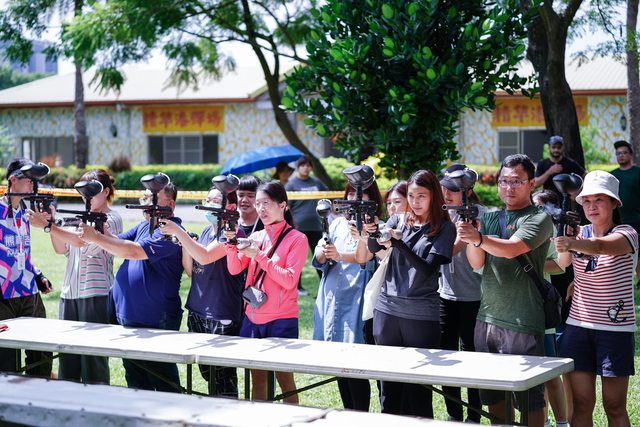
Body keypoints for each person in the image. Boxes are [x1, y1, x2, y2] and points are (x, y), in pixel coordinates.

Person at [457, 154, 553, 427]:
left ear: (532, 183)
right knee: (494, 398)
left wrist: (478, 237)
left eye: (516, 181)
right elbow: (477, 263)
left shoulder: (539, 218)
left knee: (529, 399)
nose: (509, 188)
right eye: (503, 181)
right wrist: (470, 236)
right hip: (486, 319)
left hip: (523, 320)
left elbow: (512, 249)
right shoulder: (490, 218)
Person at [356, 169, 456, 418]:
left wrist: (398, 243)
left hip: (421, 316)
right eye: (411, 195)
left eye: (421, 195)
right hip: (387, 312)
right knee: (389, 390)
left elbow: (426, 269)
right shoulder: (398, 220)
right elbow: (373, 248)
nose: (415, 202)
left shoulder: (444, 228)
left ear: (434, 196)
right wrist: (372, 232)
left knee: (418, 392)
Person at [78, 181, 184, 392]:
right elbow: (118, 242)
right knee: (135, 380)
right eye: (143, 197)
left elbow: (133, 251)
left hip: (155, 318)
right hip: (130, 314)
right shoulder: (146, 225)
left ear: (169, 204)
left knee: (163, 382)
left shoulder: (172, 231)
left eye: (150, 198)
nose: (144, 202)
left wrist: (96, 237)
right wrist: (102, 231)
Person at [554, 170, 637, 427]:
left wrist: (571, 242)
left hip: (616, 330)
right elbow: (562, 263)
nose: (592, 206)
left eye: (599, 200)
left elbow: (601, 246)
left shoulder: (627, 234)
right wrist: (564, 240)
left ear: (614, 203)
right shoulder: (576, 234)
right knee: (580, 404)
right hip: (578, 327)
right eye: (586, 201)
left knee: (614, 406)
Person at [29, 169, 123, 384]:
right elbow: (61, 249)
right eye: (82, 191)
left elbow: (86, 245)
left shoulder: (111, 219)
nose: (86, 196)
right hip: (69, 293)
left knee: (93, 361)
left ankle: (96, 406)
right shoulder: (78, 220)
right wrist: (52, 225)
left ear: (106, 191)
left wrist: (49, 226)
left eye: (92, 190)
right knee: (67, 359)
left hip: (96, 295)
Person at [224, 181, 308, 403]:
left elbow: (289, 280)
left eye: (266, 203)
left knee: (285, 381)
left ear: (283, 205)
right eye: (258, 204)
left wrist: (259, 256)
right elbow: (234, 269)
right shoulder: (256, 237)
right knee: (258, 381)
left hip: (282, 319)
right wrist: (231, 245)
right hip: (252, 317)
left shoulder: (297, 239)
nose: (261, 209)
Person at [159, 184, 244, 397]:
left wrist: (179, 232)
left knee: (223, 378)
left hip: (221, 313)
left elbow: (206, 256)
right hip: (197, 311)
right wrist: (187, 243)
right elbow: (192, 269)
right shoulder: (207, 230)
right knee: (207, 373)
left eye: (215, 201)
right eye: (208, 200)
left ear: (230, 205)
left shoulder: (232, 233)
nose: (209, 205)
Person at [312, 179, 383, 411]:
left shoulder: (376, 226)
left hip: (359, 295)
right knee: (338, 361)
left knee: (356, 361)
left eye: (360, 195)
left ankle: (359, 415)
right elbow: (320, 255)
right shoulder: (336, 224)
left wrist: (341, 254)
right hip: (333, 294)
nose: (355, 199)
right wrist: (323, 253)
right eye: (351, 194)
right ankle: (348, 413)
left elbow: (369, 260)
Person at [439, 164, 486, 423]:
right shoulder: (441, 215)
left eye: (454, 188)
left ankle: (474, 416)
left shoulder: (483, 215)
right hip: (445, 296)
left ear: (468, 188)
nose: (447, 192)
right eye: (444, 187)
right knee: (447, 356)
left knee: (472, 357)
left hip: (476, 298)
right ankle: (453, 415)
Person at [0, 158, 53, 377]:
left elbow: (21, 253)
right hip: (3, 296)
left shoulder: (26, 212)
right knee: (6, 363)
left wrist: (38, 275)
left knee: (41, 355)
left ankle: (39, 401)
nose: (33, 184)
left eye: (34, 180)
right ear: (13, 180)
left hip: (29, 293)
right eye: (28, 179)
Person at [532, 190, 570, 427]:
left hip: (541, 309)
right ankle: (542, 421)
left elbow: (559, 267)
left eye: (538, 206)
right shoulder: (517, 226)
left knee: (550, 374)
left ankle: (562, 422)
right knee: (529, 377)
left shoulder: (552, 233)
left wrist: (529, 263)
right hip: (516, 312)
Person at [285, 155, 329, 294]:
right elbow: (286, 206)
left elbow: (327, 198)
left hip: (316, 226)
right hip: (298, 228)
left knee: (320, 256)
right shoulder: (291, 185)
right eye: (303, 165)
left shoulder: (317, 182)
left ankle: (325, 285)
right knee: (297, 259)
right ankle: (297, 288)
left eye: (308, 165)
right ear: (298, 167)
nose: (306, 167)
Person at [610, 139, 640, 287]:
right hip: (618, 221)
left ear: (631, 155)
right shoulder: (612, 176)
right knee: (620, 255)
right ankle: (621, 284)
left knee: (639, 254)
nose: (621, 156)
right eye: (618, 153)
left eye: (624, 153)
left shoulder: (638, 172)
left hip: (637, 219)